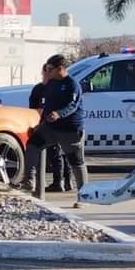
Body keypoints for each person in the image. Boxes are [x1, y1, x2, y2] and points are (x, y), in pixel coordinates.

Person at [21, 55, 87, 194]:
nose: (48, 71)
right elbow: (47, 104)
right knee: (33, 144)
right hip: (50, 127)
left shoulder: (72, 84)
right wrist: (41, 123)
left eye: (50, 69)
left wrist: (59, 114)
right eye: (46, 68)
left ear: (60, 68)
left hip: (70, 130)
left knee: (76, 162)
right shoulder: (51, 84)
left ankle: (84, 194)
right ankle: (28, 180)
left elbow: (72, 105)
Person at [28, 63, 73, 192]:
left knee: (60, 153)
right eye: (46, 72)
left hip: (60, 123)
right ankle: (58, 181)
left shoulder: (60, 87)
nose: (47, 75)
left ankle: (62, 181)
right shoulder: (38, 89)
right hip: (44, 123)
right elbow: (33, 108)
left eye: (50, 71)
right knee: (53, 153)